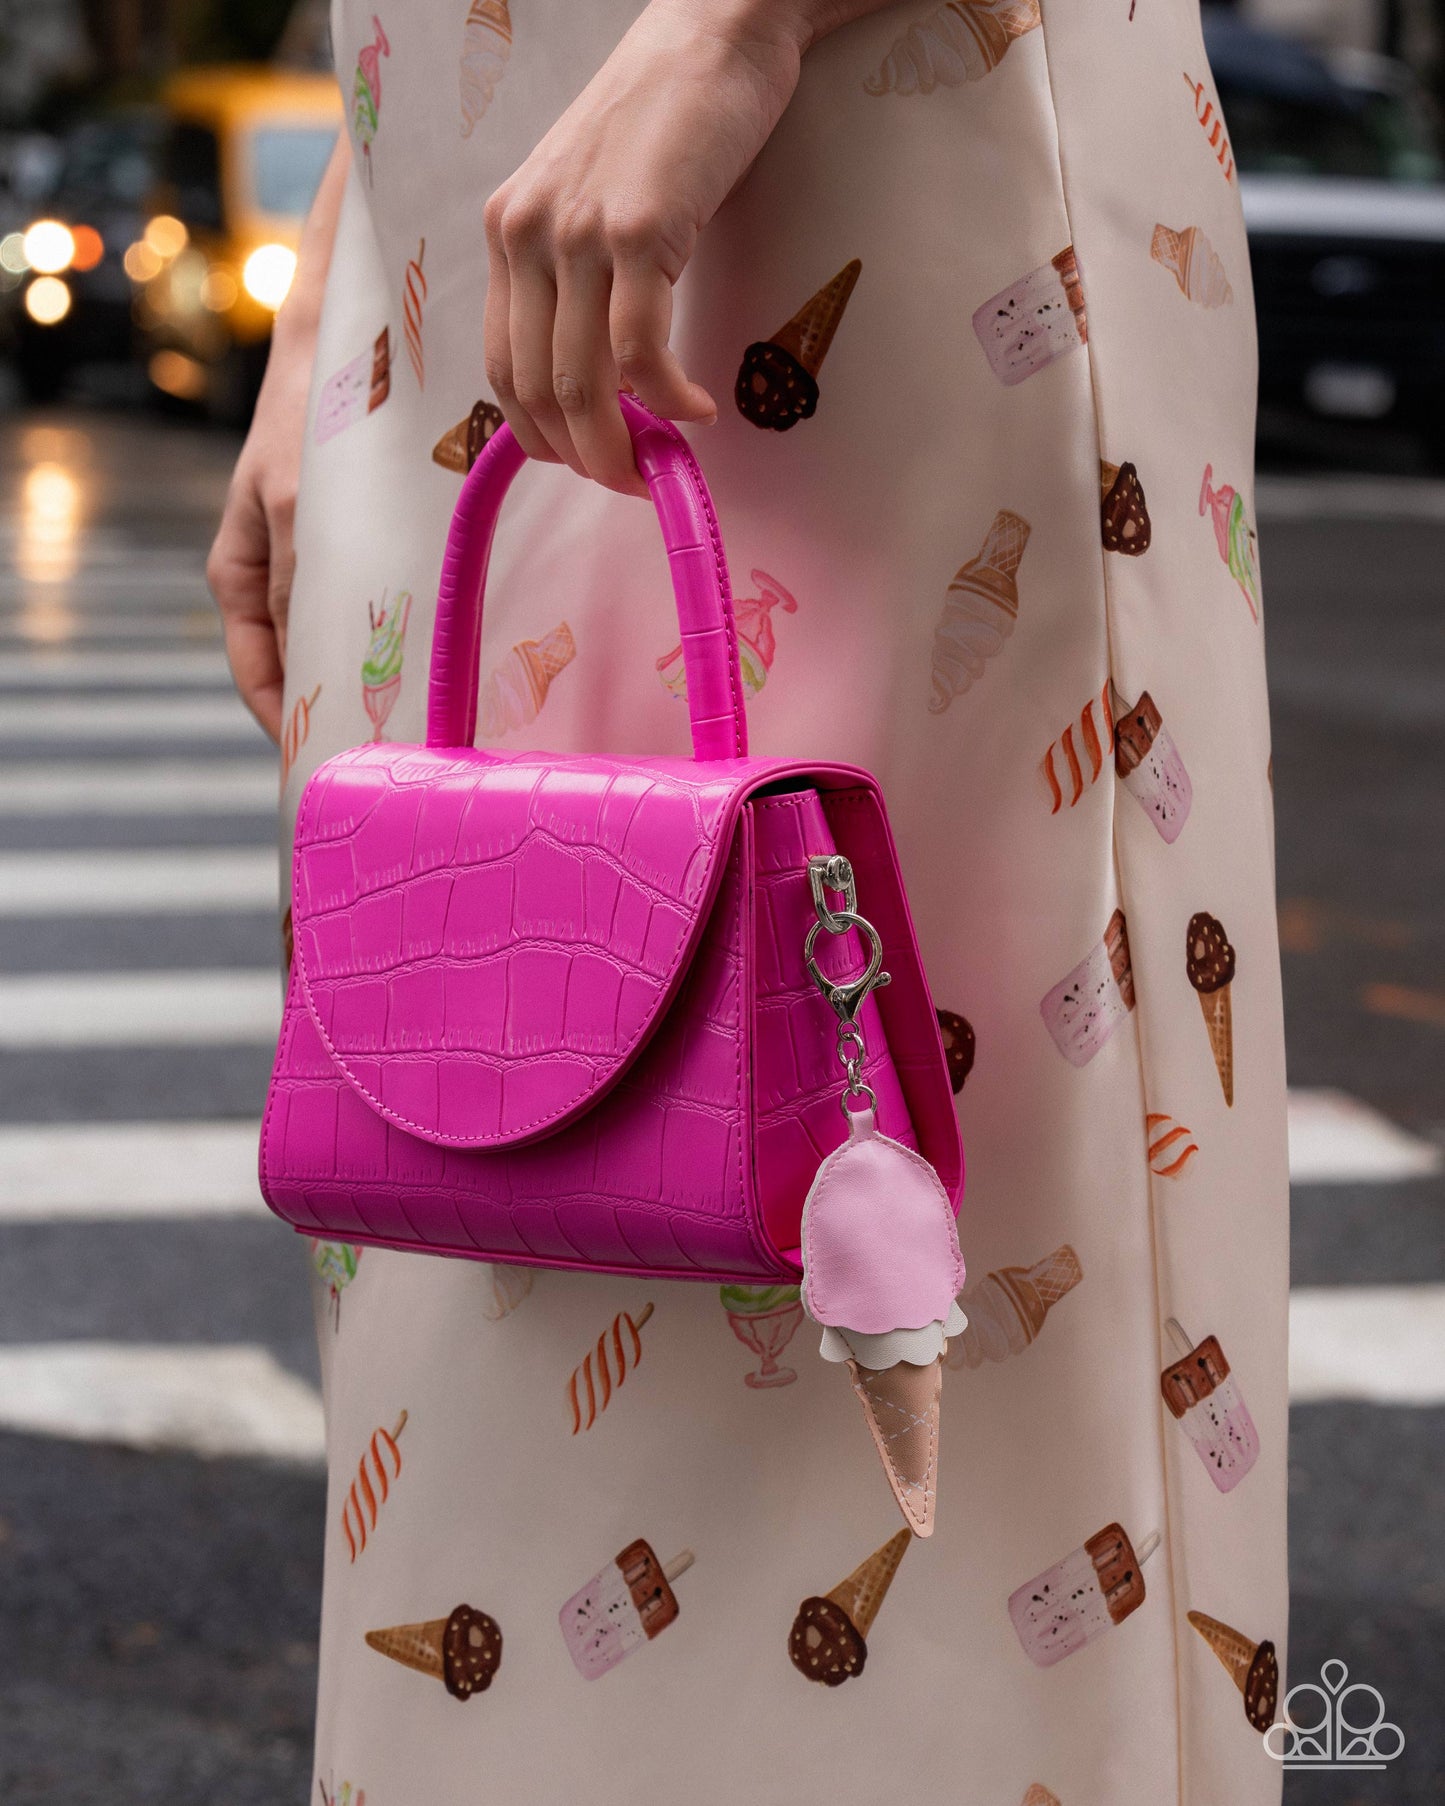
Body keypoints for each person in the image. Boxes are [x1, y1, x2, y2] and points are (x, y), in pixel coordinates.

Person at [209, 0, 1290, 1796]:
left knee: (983, 1396)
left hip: (857, 118)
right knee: (469, 1314)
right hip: (455, 219)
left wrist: (734, 27)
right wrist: (332, 291)